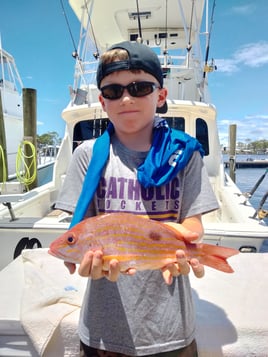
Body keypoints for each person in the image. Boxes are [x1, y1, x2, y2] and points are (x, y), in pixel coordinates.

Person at [55, 41, 219, 357]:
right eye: (113, 91)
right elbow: (77, 234)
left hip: (171, 328)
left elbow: (193, 226)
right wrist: (84, 262)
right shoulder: (87, 156)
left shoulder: (185, 153)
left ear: (160, 95)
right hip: (103, 331)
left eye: (140, 87)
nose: (126, 98)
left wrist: (186, 244)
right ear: (102, 101)